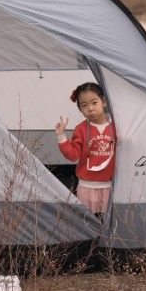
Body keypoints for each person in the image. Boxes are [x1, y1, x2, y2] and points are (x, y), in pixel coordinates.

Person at [55, 82, 115, 216]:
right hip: (87, 187)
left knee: (110, 221)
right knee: (88, 222)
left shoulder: (116, 127)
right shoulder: (81, 129)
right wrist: (61, 136)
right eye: (84, 105)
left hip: (111, 185)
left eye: (94, 102)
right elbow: (73, 155)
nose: (90, 108)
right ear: (80, 109)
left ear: (104, 101)